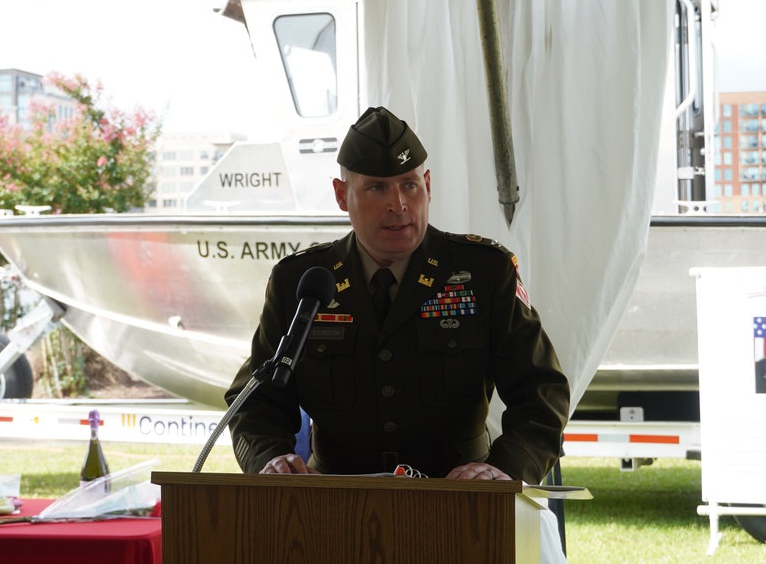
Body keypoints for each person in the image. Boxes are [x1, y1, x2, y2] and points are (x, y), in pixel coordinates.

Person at [225, 106, 570, 483]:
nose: (399, 204)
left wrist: (503, 469)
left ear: (429, 186)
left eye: (409, 185)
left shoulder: (483, 273)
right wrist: (270, 457)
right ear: (342, 196)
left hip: (459, 499)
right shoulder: (303, 282)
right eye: (377, 187)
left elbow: (541, 391)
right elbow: (254, 400)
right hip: (334, 500)